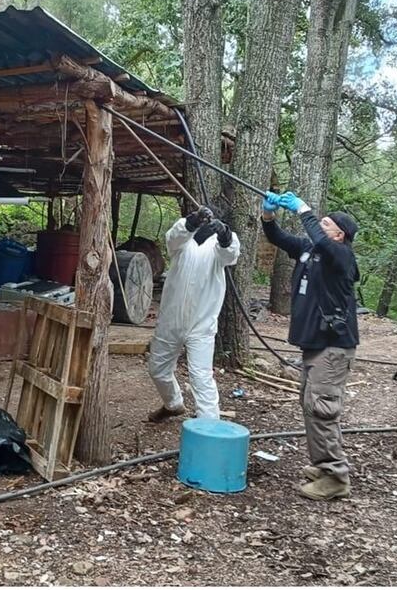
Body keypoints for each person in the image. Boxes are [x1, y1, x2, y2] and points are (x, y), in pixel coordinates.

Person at [261, 191, 360, 500]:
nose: (319, 224)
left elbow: (321, 241)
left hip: (333, 348)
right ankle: (323, 466)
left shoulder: (342, 256)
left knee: (322, 410)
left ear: (339, 234)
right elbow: (277, 236)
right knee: (311, 406)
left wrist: (303, 209)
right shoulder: (310, 250)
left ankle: (336, 478)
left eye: (325, 222)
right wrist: (268, 215)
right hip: (315, 345)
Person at [146, 205, 240, 422]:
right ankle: (173, 404)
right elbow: (172, 238)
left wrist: (224, 235)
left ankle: (210, 429)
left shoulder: (219, 246)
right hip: (171, 319)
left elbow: (231, 254)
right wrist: (192, 221)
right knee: (158, 370)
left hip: (201, 323)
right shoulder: (183, 239)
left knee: (201, 378)